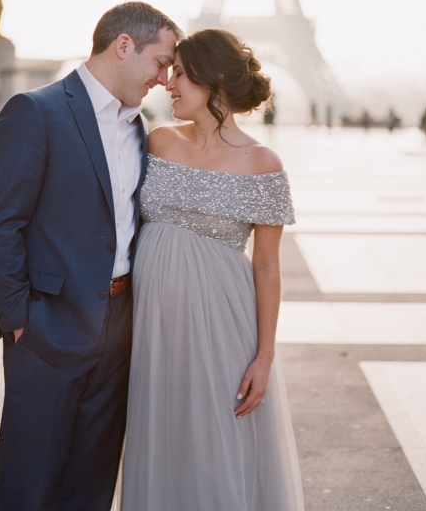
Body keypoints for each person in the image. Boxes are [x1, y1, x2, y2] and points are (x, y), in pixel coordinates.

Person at [0, 1, 180, 511]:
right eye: (161, 61)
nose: (164, 76)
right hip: (48, 329)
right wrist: (21, 319)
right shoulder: (35, 111)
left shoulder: (138, 128)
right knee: (29, 485)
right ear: (123, 45)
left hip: (119, 328)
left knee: (91, 486)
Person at [121, 29, 305, 511]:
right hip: (154, 329)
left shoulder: (264, 164)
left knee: (216, 450)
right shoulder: (157, 142)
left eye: (179, 73)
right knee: (163, 443)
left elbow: (266, 266)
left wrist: (263, 357)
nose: (168, 83)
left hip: (224, 329)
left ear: (215, 78)